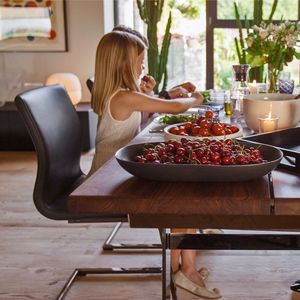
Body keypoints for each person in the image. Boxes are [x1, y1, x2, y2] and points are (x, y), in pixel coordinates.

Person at [88, 31, 221, 299]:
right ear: (125, 65)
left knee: (186, 185)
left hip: (117, 172)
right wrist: (195, 100)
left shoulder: (120, 94)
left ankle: (181, 267)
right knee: (185, 192)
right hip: (108, 181)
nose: (143, 67)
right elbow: (173, 109)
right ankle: (182, 269)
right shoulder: (124, 96)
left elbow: (139, 115)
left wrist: (152, 94)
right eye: (139, 61)